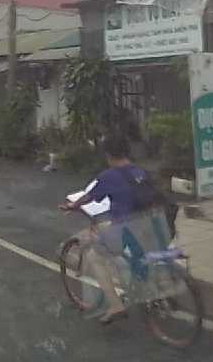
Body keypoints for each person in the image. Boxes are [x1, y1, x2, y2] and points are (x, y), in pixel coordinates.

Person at [59, 137, 169, 324]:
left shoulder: (109, 176)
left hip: (127, 227)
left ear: (108, 155)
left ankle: (116, 305)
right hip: (153, 224)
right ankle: (147, 287)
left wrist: (72, 205)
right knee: (136, 252)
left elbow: (89, 197)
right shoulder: (141, 172)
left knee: (95, 255)